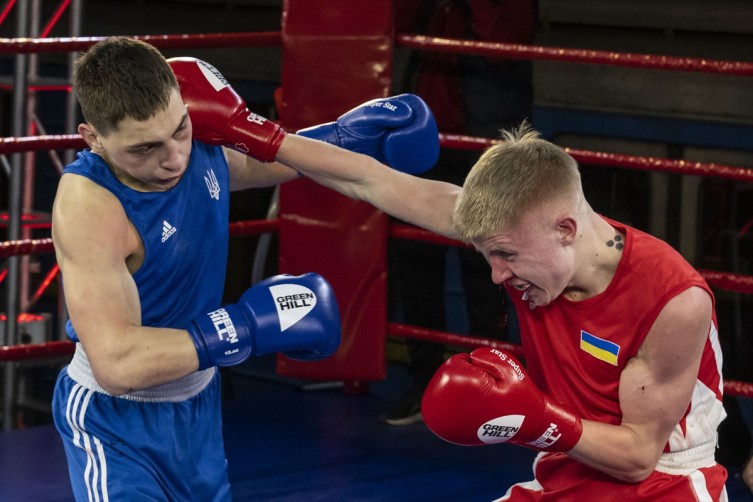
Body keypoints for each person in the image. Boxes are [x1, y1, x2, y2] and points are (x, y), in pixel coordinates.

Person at [50, 37, 440, 500]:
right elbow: (118, 363)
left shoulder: (196, 143)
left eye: (180, 130)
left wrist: (340, 136)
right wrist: (246, 327)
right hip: (114, 420)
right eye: (145, 149)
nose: (174, 157)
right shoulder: (90, 205)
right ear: (93, 137)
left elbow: (249, 165)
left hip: (196, 404)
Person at [287, 122, 728, 497]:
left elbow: (636, 457)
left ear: (565, 230)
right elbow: (370, 180)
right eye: (487, 255)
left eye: (505, 256)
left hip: (663, 485)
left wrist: (535, 418)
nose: (498, 275)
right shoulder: (516, 239)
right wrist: (259, 136)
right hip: (566, 468)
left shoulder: (672, 299)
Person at [383, 0, 536, 426]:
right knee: (416, 261)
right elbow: (394, 23)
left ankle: (490, 386)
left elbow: (500, 42)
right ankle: (424, 382)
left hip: (484, 146)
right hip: (425, 140)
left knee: (486, 269)